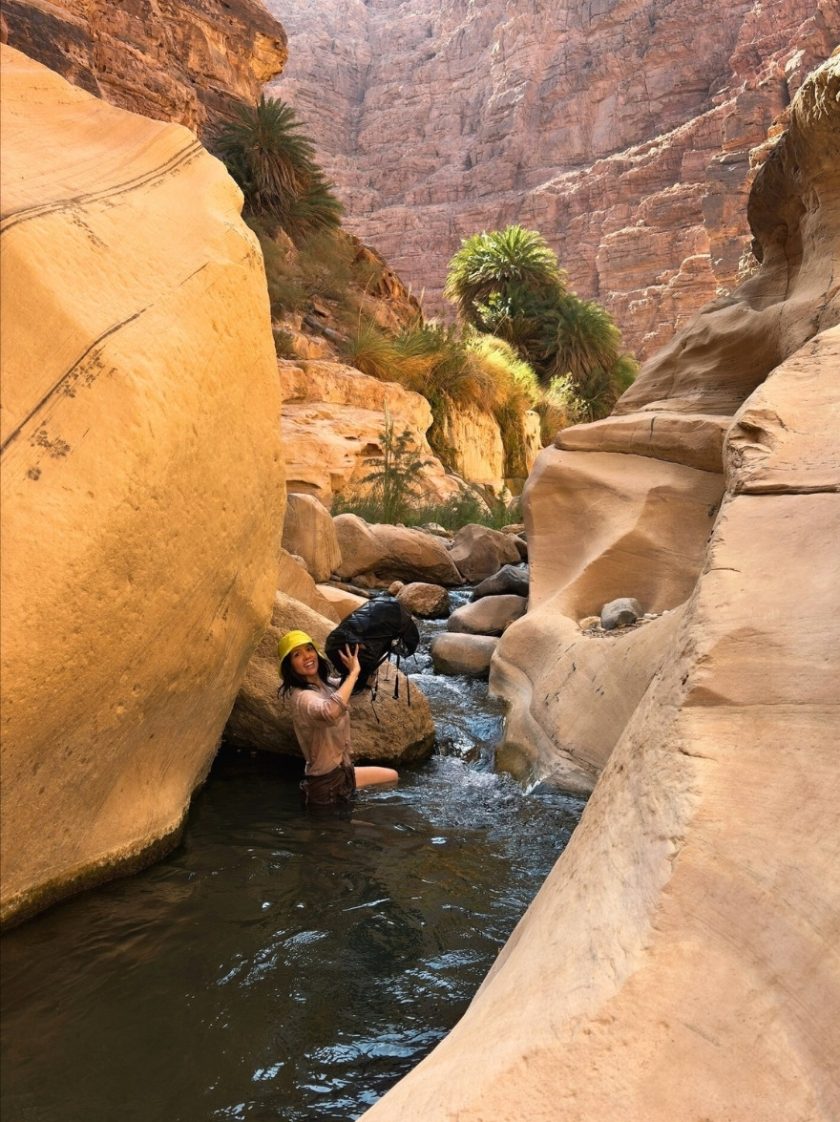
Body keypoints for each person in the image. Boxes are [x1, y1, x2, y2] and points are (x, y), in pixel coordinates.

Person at [277, 629, 399, 807]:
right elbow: (330, 711)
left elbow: (361, 688)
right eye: (297, 654)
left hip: (345, 772)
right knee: (342, 833)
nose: (306, 656)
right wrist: (354, 672)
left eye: (309, 649)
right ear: (290, 665)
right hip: (325, 784)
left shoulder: (328, 685)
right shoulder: (302, 697)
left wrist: (370, 653)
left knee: (391, 777)